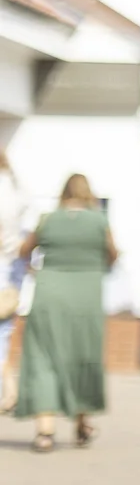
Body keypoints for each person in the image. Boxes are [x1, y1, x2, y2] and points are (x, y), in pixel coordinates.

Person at [14, 173, 115, 453]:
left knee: (43, 357)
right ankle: (82, 422)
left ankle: (45, 431)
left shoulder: (49, 219)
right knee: (83, 355)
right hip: (87, 296)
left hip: (50, 293)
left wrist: (36, 269)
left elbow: (24, 250)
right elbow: (112, 254)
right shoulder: (99, 220)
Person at [0, 149, 24, 415]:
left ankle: (8, 391)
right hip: (13, 266)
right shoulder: (16, 188)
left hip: (2, 265)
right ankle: (10, 391)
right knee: (3, 333)